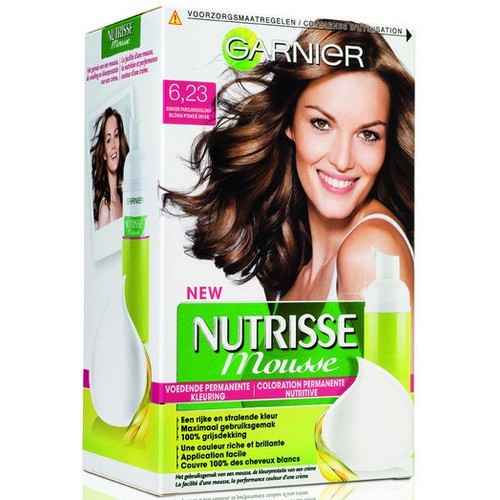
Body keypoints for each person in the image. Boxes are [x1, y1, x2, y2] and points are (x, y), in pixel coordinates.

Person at [162, 23, 414, 305]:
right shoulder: (293, 266)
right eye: (322, 124)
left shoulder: (370, 252)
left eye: (368, 135)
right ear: (290, 123)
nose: (343, 160)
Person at [90, 107, 130, 229]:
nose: (113, 145)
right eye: (108, 140)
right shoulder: (105, 209)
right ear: (104, 153)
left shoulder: (123, 199)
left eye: (116, 136)